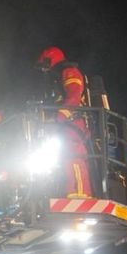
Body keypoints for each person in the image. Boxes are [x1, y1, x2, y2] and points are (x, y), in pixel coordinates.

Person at [36, 46, 92, 198]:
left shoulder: (69, 72)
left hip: (73, 123)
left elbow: (74, 96)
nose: (45, 70)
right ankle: (67, 191)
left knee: (73, 153)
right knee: (63, 156)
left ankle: (80, 193)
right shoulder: (57, 79)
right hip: (63, 125)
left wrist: (59, 116)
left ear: (52, 61)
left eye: (45, 66)